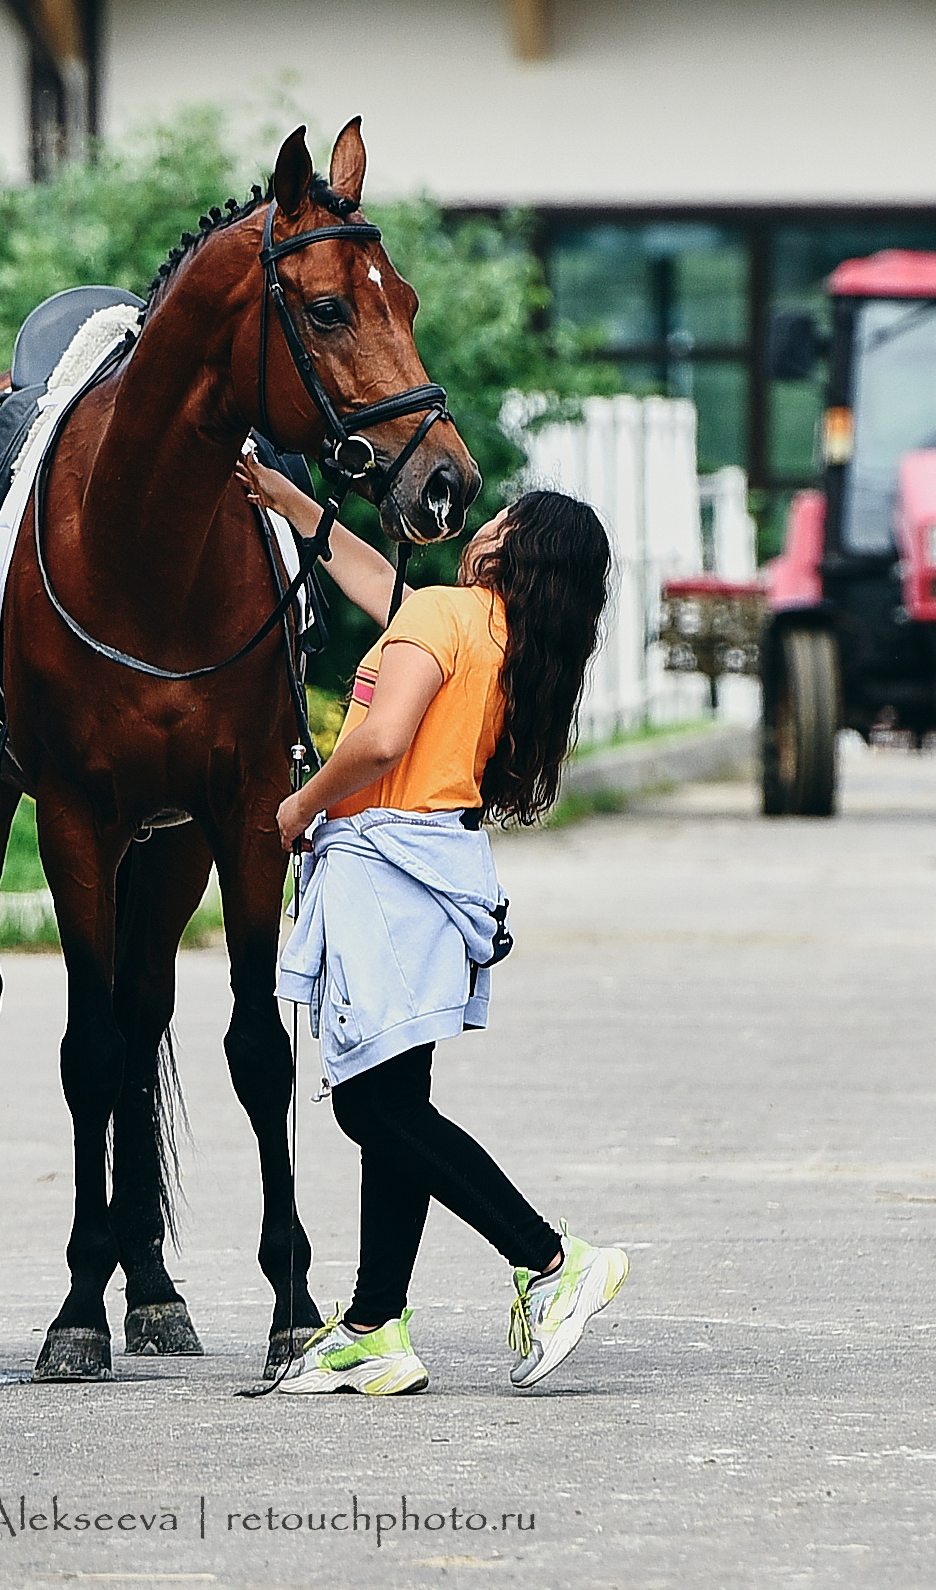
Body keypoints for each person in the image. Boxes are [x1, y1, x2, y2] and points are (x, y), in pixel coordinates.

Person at [237, 453, 628, 1396]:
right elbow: (377, 577)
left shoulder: (445, 617)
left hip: (386, 871)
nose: (483, 522)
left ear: (515, 549)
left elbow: (380, 740)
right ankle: (375, 1327)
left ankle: (548, 1257)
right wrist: (286, 498)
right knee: (394, 1098)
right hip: (437, 872)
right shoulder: (497, 637)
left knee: (373, 1107)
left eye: (504, 518)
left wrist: (300, 806)